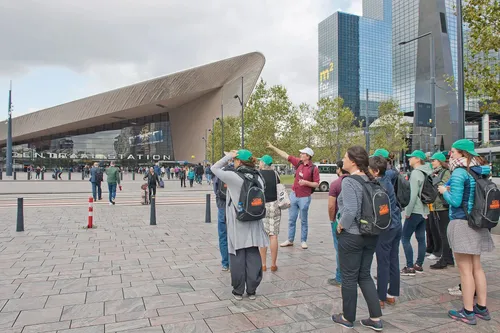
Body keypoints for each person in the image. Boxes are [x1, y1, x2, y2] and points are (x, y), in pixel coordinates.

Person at [438, 139, 494, 325]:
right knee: (477, 268)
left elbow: (454, 201)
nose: (450, 155)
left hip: (462, 223)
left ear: (462, 153)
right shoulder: (480, 171)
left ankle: (468, 311)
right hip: (479, 222)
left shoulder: (460, 172)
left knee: (465, 271)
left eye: (453, 152)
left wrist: (443, 191)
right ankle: (481, 308)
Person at [332, 146, 383, 331]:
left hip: (352, 235)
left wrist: (340, 225)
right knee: (365, 275)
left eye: (345, 157)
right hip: (371, 235)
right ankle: (376, 318)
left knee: (349, 277)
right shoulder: (371, 180)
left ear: (353, 161)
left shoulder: (349, 182)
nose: (342, 160)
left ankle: (347, 317)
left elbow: (351, 210)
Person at [211, 149, 269, 300]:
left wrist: (228, 155)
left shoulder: (233, 177)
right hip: (255, 221)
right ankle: (252, 290)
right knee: (253, 255)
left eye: (235, 160)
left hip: (238, 222)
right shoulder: (259, 177)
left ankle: (238, 290)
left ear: (238, 161)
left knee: (237, 256)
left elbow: (214, 168)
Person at [267, 143, 320, 249]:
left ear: (308, 156)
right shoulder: (298, 163)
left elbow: (316, 184)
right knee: (291, 219)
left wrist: (306, 182)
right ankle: (290, 240)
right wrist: (273, 147)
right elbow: (285, 155)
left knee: (303, 220)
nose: (300, 154)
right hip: (294, 195)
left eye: (302, 153)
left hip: (305, 197)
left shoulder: (313, 168)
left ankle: (303, 241)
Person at [369, 156, 402, 309]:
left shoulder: (378, 186)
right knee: (393, 258)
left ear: (375, 172)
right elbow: (393, 172)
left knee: (383, 261)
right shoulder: (388, 177)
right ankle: (392, 293)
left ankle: (380, 296)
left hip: (386, 227)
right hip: (396, 224)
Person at [401, 150, 432, 275]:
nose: (409, 159)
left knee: (405, 238)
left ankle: (409, 267)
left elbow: (412, 195)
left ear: (418, 159)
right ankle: (419, 264)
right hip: (424, 210)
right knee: (421, 238)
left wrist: (407, 211)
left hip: (415, 210)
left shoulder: (416, 173)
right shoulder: (427, 172)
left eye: (411, 157)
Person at [428, 152, 453, 269]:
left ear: (440, 161)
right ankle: (447, 257)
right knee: (441, 232)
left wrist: (433, 178)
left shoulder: (445, 172)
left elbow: (443, 187)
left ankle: (446, 258)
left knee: (444, 233)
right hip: (436, 206)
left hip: (443, 206)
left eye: (434, 160)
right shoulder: (435, 172)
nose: (431, 162)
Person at [327, 160, 349, 287]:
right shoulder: (355, 181)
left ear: (340, 169)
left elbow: (331, 206)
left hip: (338, 220)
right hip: (353, 221)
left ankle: (340, 277)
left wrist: (331, 220)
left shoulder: (336, 184)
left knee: (339, 249)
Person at [258, 155, 281, 272]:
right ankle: (273, 264)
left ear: (263, 163)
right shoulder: (275, 174)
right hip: (275, 205)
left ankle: (263, 264)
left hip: (262, 206)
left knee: (263, 236)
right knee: (273, 236)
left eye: (260, 162)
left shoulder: (258, 174)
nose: (259, 163)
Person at [213, 163, 232, 271]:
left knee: (223, 235)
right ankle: (234, 261)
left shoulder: (220, 174)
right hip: (233, 207)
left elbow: (216, 190)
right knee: (234, 235)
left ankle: (225, 263)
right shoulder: (236, 174)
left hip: (222, 207)